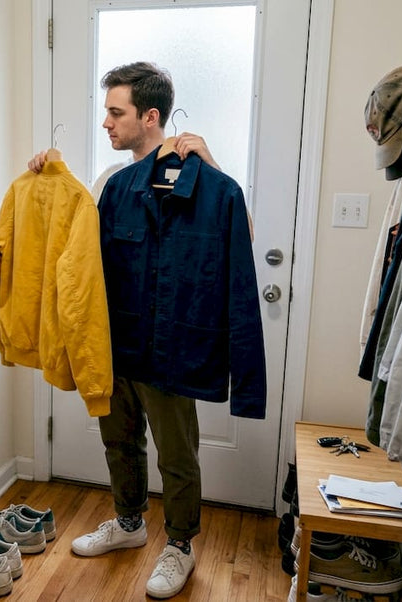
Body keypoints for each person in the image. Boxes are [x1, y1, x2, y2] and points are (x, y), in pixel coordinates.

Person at [29, 62, 265, 599]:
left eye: (116, 113)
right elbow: (75, 242)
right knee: (119, 440)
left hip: (173, 346)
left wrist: (212, 163)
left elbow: (240, 238)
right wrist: (47, 172)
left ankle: (180, 545)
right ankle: (130, 524)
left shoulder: (206, 179)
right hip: (116, 342)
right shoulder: (110, 184)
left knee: (176, 452)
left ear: (149, 116)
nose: (106, 124)